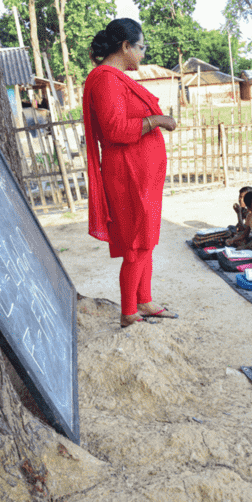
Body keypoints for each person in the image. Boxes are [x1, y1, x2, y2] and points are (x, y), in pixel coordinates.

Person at [84, 18, 178, 329]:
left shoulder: (115, 77)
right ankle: (128, 311)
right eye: (141, 47)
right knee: (138, 241)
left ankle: (145, 300)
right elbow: (114, 130)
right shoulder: (106, 80)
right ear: (126, 47)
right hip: (128, 176)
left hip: (140, 175)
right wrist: (157, 121)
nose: (143, 53)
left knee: (147, 240)